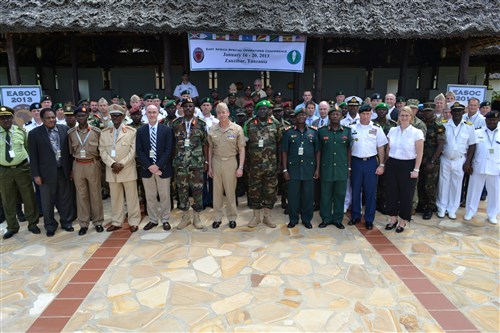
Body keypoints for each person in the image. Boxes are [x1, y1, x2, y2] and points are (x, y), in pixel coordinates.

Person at [28, 108, 73, 237]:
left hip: (62, 171)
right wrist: (36, 175)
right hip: (45, 174)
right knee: (47, 201)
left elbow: (69, 153)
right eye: (48, 118)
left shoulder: (64, 130)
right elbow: (33, 156)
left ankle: (66, 222)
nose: (51, 120)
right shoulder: (35, 134)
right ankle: (50, 225)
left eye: (53, 117)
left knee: (64, 198)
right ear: (42, 119)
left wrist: (70, 170)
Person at [99, 104, 141, 232]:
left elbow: (133, 152)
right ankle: (117, 221)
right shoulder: (105, 132)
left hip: (127, 169)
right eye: (113, 115)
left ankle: (134, 221)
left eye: (118, 115)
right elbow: (101, 151)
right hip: (112, 170)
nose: (115, 118)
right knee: (115, 198)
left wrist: (121, 164)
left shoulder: (131, 131)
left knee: (132, 197)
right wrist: (112, 164)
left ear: (123, 116)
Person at [0, 106, 40, 239]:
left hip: (22, 168)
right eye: (2, 118)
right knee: (8, 199)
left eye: (7, 117)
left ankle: (32, 223)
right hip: (4, 170)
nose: (5, 120)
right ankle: (12, 226)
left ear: (12, 118)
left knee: (28, 196)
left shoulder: (21, 131)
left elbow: (28, 149)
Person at [384, 106, 424, 233]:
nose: (404, 118)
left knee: (406, 195)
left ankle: (403, 221)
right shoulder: (392, 130)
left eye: (407, 115)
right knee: (391, 193)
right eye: (402, 115)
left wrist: (416, 169)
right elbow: (388, 149)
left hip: (408, 165)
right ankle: (392, 218)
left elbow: (419, 152)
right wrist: (384, 164)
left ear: (411, 117)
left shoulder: (416, 132)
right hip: (392, 164)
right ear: (398, 117)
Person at [349, 104, 388, 230]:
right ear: (359, 114)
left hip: (371, 162)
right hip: (356, 162)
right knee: (355, 190)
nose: (365, 116)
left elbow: (381, 147)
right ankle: (355, 216)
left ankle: (369, 219)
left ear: (371, 115)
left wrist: (381, 164)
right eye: (363, 114)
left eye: (368, 114)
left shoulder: (376, 128)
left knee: (371, 192)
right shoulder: (351, 127)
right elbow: (348, 148)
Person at [171, 98, 208, 231]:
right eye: (185, 106)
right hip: (180, 164)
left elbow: (205, 144)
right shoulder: (175, 124)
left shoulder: (201, 124)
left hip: (196, 163)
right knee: (182, 189)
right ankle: (185, 217)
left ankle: (197, 216)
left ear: (194, 108)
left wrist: (206, 161)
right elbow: (173, 145)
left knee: (198, 189)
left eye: (190, 106)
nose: (188, 108)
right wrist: (174, 161)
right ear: (181, 108)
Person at [245, 100, 282, 228]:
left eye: (265, 109)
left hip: (271, 165)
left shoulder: (276, 124)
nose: (263, 111)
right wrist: (245, 163)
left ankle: (267, 216)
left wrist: (279, 163)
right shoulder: (249, 124)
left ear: (269, 111)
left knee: (270, 190)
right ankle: (256, 217)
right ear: (257, 110)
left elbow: (279, 145)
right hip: (254, 165)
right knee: (254, 191)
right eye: (260, 109)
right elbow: (244, 145)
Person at [208, 103, 245, 229]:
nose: (222, 115)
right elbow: (210, 149)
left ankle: (232, 217)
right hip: (216, 161)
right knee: (217, 193)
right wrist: (210, 167)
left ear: (228, 113)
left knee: (230, 192)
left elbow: (241, 150)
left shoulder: (237, 129)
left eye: (224, 112)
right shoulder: (212, 129)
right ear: (216, 115)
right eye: (219, 113)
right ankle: (217, 217)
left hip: (231, 162)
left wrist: (240, 167)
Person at [436, 102, 476, 220]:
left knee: (456, 185)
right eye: (455, 111)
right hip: (445, 158)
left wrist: (468, 162)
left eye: (459, 111)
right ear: (451, 113)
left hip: (460, 160)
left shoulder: (469, 126)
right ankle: (441, 207)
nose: (457, 113)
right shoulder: (444, 125)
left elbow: (472, 145)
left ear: (463, 113)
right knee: (443, 184)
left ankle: (452, 209)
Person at [137, 105, 174, 231]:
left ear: (158, 113)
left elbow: (169, 150)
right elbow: (139, 151)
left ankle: (165, 219)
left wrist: (158, 165)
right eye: (149, 112)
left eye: (154, 112)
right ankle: (153, 220)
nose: (152, 115)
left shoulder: (167, 130)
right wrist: (150, 166)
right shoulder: (141, 131)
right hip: (147, 169)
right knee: (150, 196)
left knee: (164, 196)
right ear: (146, 114)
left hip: (163, 169)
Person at [68, 106, 104, 235]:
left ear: (87, 116)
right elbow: (70, 152)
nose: (81, 118)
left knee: (95, 194)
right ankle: (83, 223)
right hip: (78, 165)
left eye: (83, 116)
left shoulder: (96, 132)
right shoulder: (71, 133)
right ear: (75, 117)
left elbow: (101, 150)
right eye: (78, 116)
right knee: (81, 195)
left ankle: (98, 221)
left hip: (93, 164)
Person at [282, 107, 319, 229]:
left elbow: (317, 152)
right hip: (293, 170)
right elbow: (284, 152)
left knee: (308, 196)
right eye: (299, 115)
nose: (301, 117)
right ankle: (293, 219)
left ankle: (306, 219)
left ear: (307, 117)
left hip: (309, 169)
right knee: (293, 196)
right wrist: (285, 169)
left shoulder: (313, 132)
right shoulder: (288, 132)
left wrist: (317, 169)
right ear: (295, 118)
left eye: (304, 115)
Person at [318, 107, 351, 229]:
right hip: (326, 169)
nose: (335, 116)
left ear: (341, 116)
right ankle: (325, 219)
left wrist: (349, 167)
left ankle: (338, 219)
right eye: (333, 114)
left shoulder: (347, 131)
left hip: (341, 169)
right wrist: (318, 168)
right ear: (329, 116)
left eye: (338, 114)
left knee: (340, 195)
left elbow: (349, 150)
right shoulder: (322, 131)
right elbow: (319, 151)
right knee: (325, 196)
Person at [464, 111, 499, 224]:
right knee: (473, 189)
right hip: (479, 165)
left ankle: (492, 214)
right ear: (486, 121)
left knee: (495, 192)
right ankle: (470, 211)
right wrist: (468, 163)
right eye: (489, 120)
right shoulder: (477, 132)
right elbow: (472, 148)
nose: (492, 122)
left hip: (496, 167)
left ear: (498, 121)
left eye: (494, 120)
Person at [418, 103, 446, 220]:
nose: (427, 113)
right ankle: (421, 204)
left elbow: (440, 145)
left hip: (431, 160)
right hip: (420, 159)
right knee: (420, 183)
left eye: (429, 111)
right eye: (425, 111)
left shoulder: (438, 126)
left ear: (433, 111)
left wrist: (432, 161)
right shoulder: (420, 125)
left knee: (430, 185)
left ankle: (430, 207)